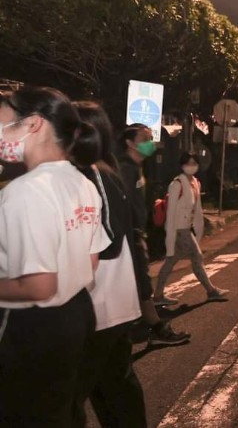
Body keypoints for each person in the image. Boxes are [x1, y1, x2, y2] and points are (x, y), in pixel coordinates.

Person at [0, 86, 110, 425]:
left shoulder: (24, 191)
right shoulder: (83, 182)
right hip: (75, 315)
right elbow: (91, 262)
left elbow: (39, 287)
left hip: (32, 327)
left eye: (2, 123)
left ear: (33, 124)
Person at [72, 101, 147, 427]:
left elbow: (113, 239)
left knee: (75, 395)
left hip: (101, 303)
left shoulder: (94, 175)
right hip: (114, 302)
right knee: (114, 387)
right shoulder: (109, 171)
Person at [118, 124, 190, 346]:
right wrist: (134, 235)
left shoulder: (138, 167)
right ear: (130, 143)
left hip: (136, 233)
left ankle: (138, 328)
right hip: (129, 236)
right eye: (145, 139)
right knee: (142, 284)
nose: (150, 143)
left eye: (151, 138)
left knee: (137, 284)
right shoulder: (125, 169)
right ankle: (156, 328)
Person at [154, 152, 229, 305]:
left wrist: (199, 228)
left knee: (171, 261)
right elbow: (171, 212)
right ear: (182, 166)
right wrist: (170, 235)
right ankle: (211, 291)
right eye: (188, 163)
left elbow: (197, 208)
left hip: (186, 228)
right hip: (178, 229)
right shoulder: (177, 184)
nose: (191, 166)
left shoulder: (195, 182)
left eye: (194, 163)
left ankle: (158, 296)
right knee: (197, 257)